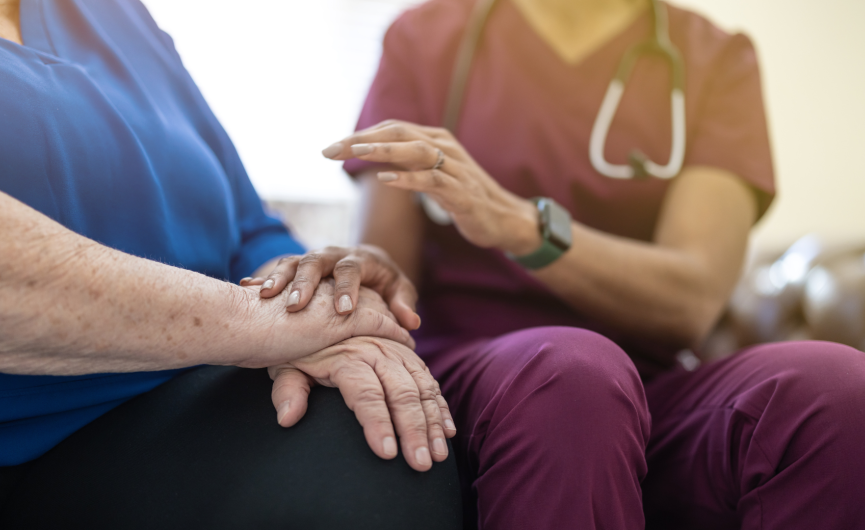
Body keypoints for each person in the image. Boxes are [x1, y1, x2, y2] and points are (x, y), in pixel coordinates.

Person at [283, 0, 865, 528]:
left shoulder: (713, 57)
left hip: (654, 392)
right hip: (476, 384)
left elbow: (691, 300)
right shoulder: (428, 37)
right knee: (574, 376)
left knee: (837, 390)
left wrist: (523, 228)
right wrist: (360, 270)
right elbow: (389, 257)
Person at [0, 1, 460, 528]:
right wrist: (266, 324)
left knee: (371, 428)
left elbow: (248, 223)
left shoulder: (110, 12)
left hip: (173, 405)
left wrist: (326, 293)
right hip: (26, 443)